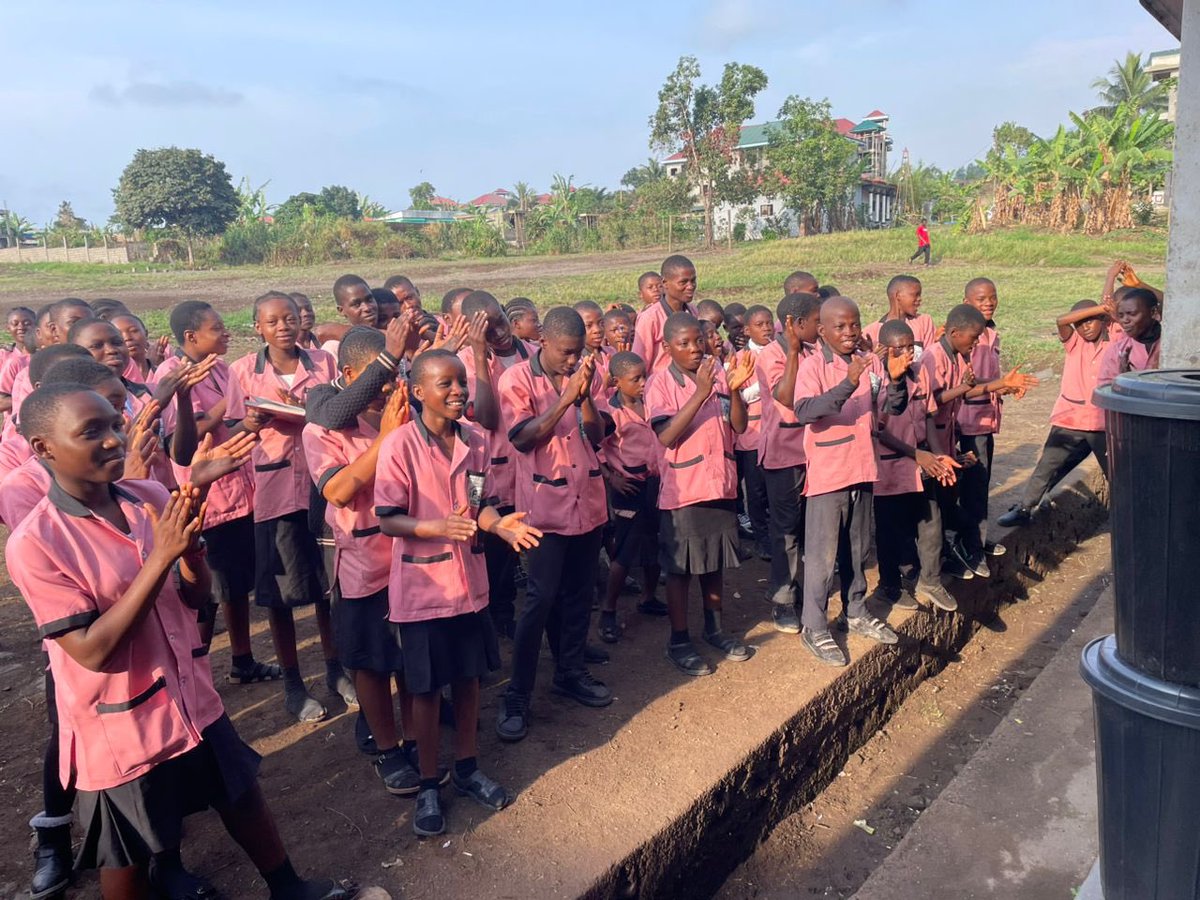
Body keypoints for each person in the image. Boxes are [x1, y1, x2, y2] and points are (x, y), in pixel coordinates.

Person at [7, 382, 353, 900]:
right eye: (91, 431)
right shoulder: (36, 543)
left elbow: (195, 599)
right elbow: (92, 651)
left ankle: (287, 887)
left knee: (240, 793)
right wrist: (161, 557)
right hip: (120, 722)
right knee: (130, 847)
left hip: (188, 692)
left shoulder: (148, 497)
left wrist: (189, 556)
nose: (112, 440)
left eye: (114, 425)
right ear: (43, 449)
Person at [376, 349, 537, 835]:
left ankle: (467, 768)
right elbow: (387, 518)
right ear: (418, 391)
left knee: (468, 680)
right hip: (424, 588)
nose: (458, 391)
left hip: (468, 585)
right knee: (425, 692)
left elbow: (478, 505)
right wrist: (431, 526)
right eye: (445, 384)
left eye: (462, 382)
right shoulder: (400, 445)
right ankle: (429, 783)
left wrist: (500, 527)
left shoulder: (474, 440)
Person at [302, 326, 428, 797]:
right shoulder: (324, 429)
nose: (387, 390)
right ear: (351, 376)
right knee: (372, 665)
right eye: (377, 382)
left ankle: (416, 738)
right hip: (362, 564)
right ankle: (387, 745)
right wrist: (387, 439)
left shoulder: (405, 411)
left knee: (412, 657)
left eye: (396, 376)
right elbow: (337, 490)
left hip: (412, 556)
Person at [226, 292, 349, 722]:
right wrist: (248, 423)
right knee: (281, 594)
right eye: (272, 321)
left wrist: (307, 410)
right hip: (276, 495)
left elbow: (338, 412)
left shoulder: (323, 363)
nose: (283, 326)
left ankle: (336, 669)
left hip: (324, 487)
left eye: (290, 318)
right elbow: (229, 430)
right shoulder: (241, 372)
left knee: (328, 586)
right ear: (257, 327)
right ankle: (294, 685)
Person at [495, 307, 613, 742]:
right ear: (543, 340)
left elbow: (597, 435)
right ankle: (518, 694)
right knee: (540, 599)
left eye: (578, 353)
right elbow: (523, 439)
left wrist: (584, 401)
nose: (572, 360)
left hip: (588, 500)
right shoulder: (516, 381)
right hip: (544, 508)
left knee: (580, 594)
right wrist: (565, 397)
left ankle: (571, 670)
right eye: (566, 352)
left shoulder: (587, 374)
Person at [793, 296, 908, 667]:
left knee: (857, 548)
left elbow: (890, 409)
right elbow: (805, 411)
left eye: (854, 325)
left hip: (862, 468)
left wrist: (895, 379)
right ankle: (814, 624)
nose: (849, 333)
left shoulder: (869, 362)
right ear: (822, 331)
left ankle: (855, 611)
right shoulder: (813, 366)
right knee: (823, 556)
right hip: (829, 473)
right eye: (839, 327)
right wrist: (847, 383)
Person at [645, 311, 756, 676]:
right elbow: (666, 435)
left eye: (699, 341)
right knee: (680, 570)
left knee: (714, 562)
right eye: (684, 344)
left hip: (719, 483)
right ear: (667, 347)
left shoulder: (719, 372)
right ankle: (678, 639)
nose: (695, 349)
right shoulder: (660, 383)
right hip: (684, 490)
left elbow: (737, 426)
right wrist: (701, 392)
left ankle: (715, 628)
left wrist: (735, 389)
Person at [457, 291, 533, 637]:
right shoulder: (465, 363)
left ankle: (511, 617)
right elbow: (486, 417)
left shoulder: (531, 353)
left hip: (529, 469)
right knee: (490, 553)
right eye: (487, 330)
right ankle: (493, 622)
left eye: (500, 321)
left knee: (524, 546)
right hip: (486, 474)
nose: (499, 333)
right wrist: (477, 353)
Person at [952, 278, 1039, 578]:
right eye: (981, 299)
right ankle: (969, 547)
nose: (989, 303)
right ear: (966, 302)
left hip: (986, 420)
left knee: (980, 483)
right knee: (972, 486)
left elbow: (989, 382)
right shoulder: (966, 339)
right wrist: (1000, 385)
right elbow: (963, 389)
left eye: (992, 297)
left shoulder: (990, 334)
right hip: (967, 421)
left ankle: (976, 537)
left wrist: (1006, 388)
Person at [872, 320, 961, 612]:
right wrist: (916, 454)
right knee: (890, 530)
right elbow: (879, 431)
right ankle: (889, 587)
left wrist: (938, 454)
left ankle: (930, 580)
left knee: (931, 521)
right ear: (885, 350)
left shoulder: (921, 371)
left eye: (912, 346)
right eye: (901, 348)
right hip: (890, 465)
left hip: (922, 461)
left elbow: (927, 418)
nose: (908, 353)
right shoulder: (876, 380)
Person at [1000, 300, 1112, 527]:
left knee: (1116, 473)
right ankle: (1024, 508)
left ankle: (1129, 515)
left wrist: (1106, 309)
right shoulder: (1073, 343)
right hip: (1071, 418)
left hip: (1103, 422)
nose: (1085, 328)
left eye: (1090, 321)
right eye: (1079, 324)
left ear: (1103, 321)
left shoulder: (1115, 343)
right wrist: (1100, 309)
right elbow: (1061, 321)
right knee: (1047, 466)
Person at [757, 293, 821, 632]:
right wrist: (795, 352)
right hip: (784, 453)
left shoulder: (814, 349)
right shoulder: (773, 354)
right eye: (815, 321)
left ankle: (806, 589)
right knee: (786, 529)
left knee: (809, 526)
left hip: (812, 451)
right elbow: (785, 395)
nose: (820, 326)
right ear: (796, 325)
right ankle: (782, 597)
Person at [597, 351, 665, 643]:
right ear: (616, 382)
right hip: (630, 488)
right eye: (635, 379)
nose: (642, 383)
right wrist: (612, 477)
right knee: (625, 552)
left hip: (656, 484)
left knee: (655, 544)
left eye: (644, 377)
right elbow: (592, 448)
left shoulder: (653, 403)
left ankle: (649, 597)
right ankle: (608, 610)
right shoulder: (610, 413)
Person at [735, 304, 774, 558]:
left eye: (769, 323)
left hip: (777, 433)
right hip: (751, 435)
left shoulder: (780, 351)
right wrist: (764, 385)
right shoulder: (739, 359)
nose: (767, 328)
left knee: (777, 488)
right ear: (747, 330)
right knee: (757, 490)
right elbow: (736, 395)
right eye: (760, 325)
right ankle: (762, 539)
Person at [633, 255, 699, 373]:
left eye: (693, 281)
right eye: (683, 282)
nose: (690, 287)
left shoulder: (693, 312)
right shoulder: (650, 318)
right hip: (660, 386)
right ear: (665, 283)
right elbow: (639, 362)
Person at [1095, 287, 1162, 389]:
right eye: (1121, 316)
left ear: (1153, 312)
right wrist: (1125, 381)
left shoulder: (1174, 345)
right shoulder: (1117, 352)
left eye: (1132, 314)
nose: (1125, 321)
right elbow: (1105, 392)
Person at [863, 275, 937, 351]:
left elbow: (931, 356)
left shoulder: (924, 322)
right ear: (898, 295)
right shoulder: (871, 332)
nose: (919, 299)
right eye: (916, 295)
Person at [315, 274, 378, 354]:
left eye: (369, 300)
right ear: (341, 310)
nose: (367, 308)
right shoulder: (335, 348)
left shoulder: (390, 328)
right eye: (356, 304)